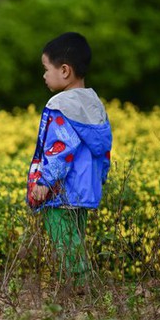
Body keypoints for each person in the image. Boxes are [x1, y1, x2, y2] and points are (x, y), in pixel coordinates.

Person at [26, 32, 113, 285]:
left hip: (61, 191)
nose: (44, 75)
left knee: (66, 245)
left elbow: (60, 147)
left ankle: (82, 290)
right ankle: (79, 289)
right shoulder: (94, 104)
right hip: (86, 189)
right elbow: (103, 149)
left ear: (64, 70)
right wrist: (102, 177)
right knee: (75, 240)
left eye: (46, 68)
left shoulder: (60, 105)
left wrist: (45, 181)